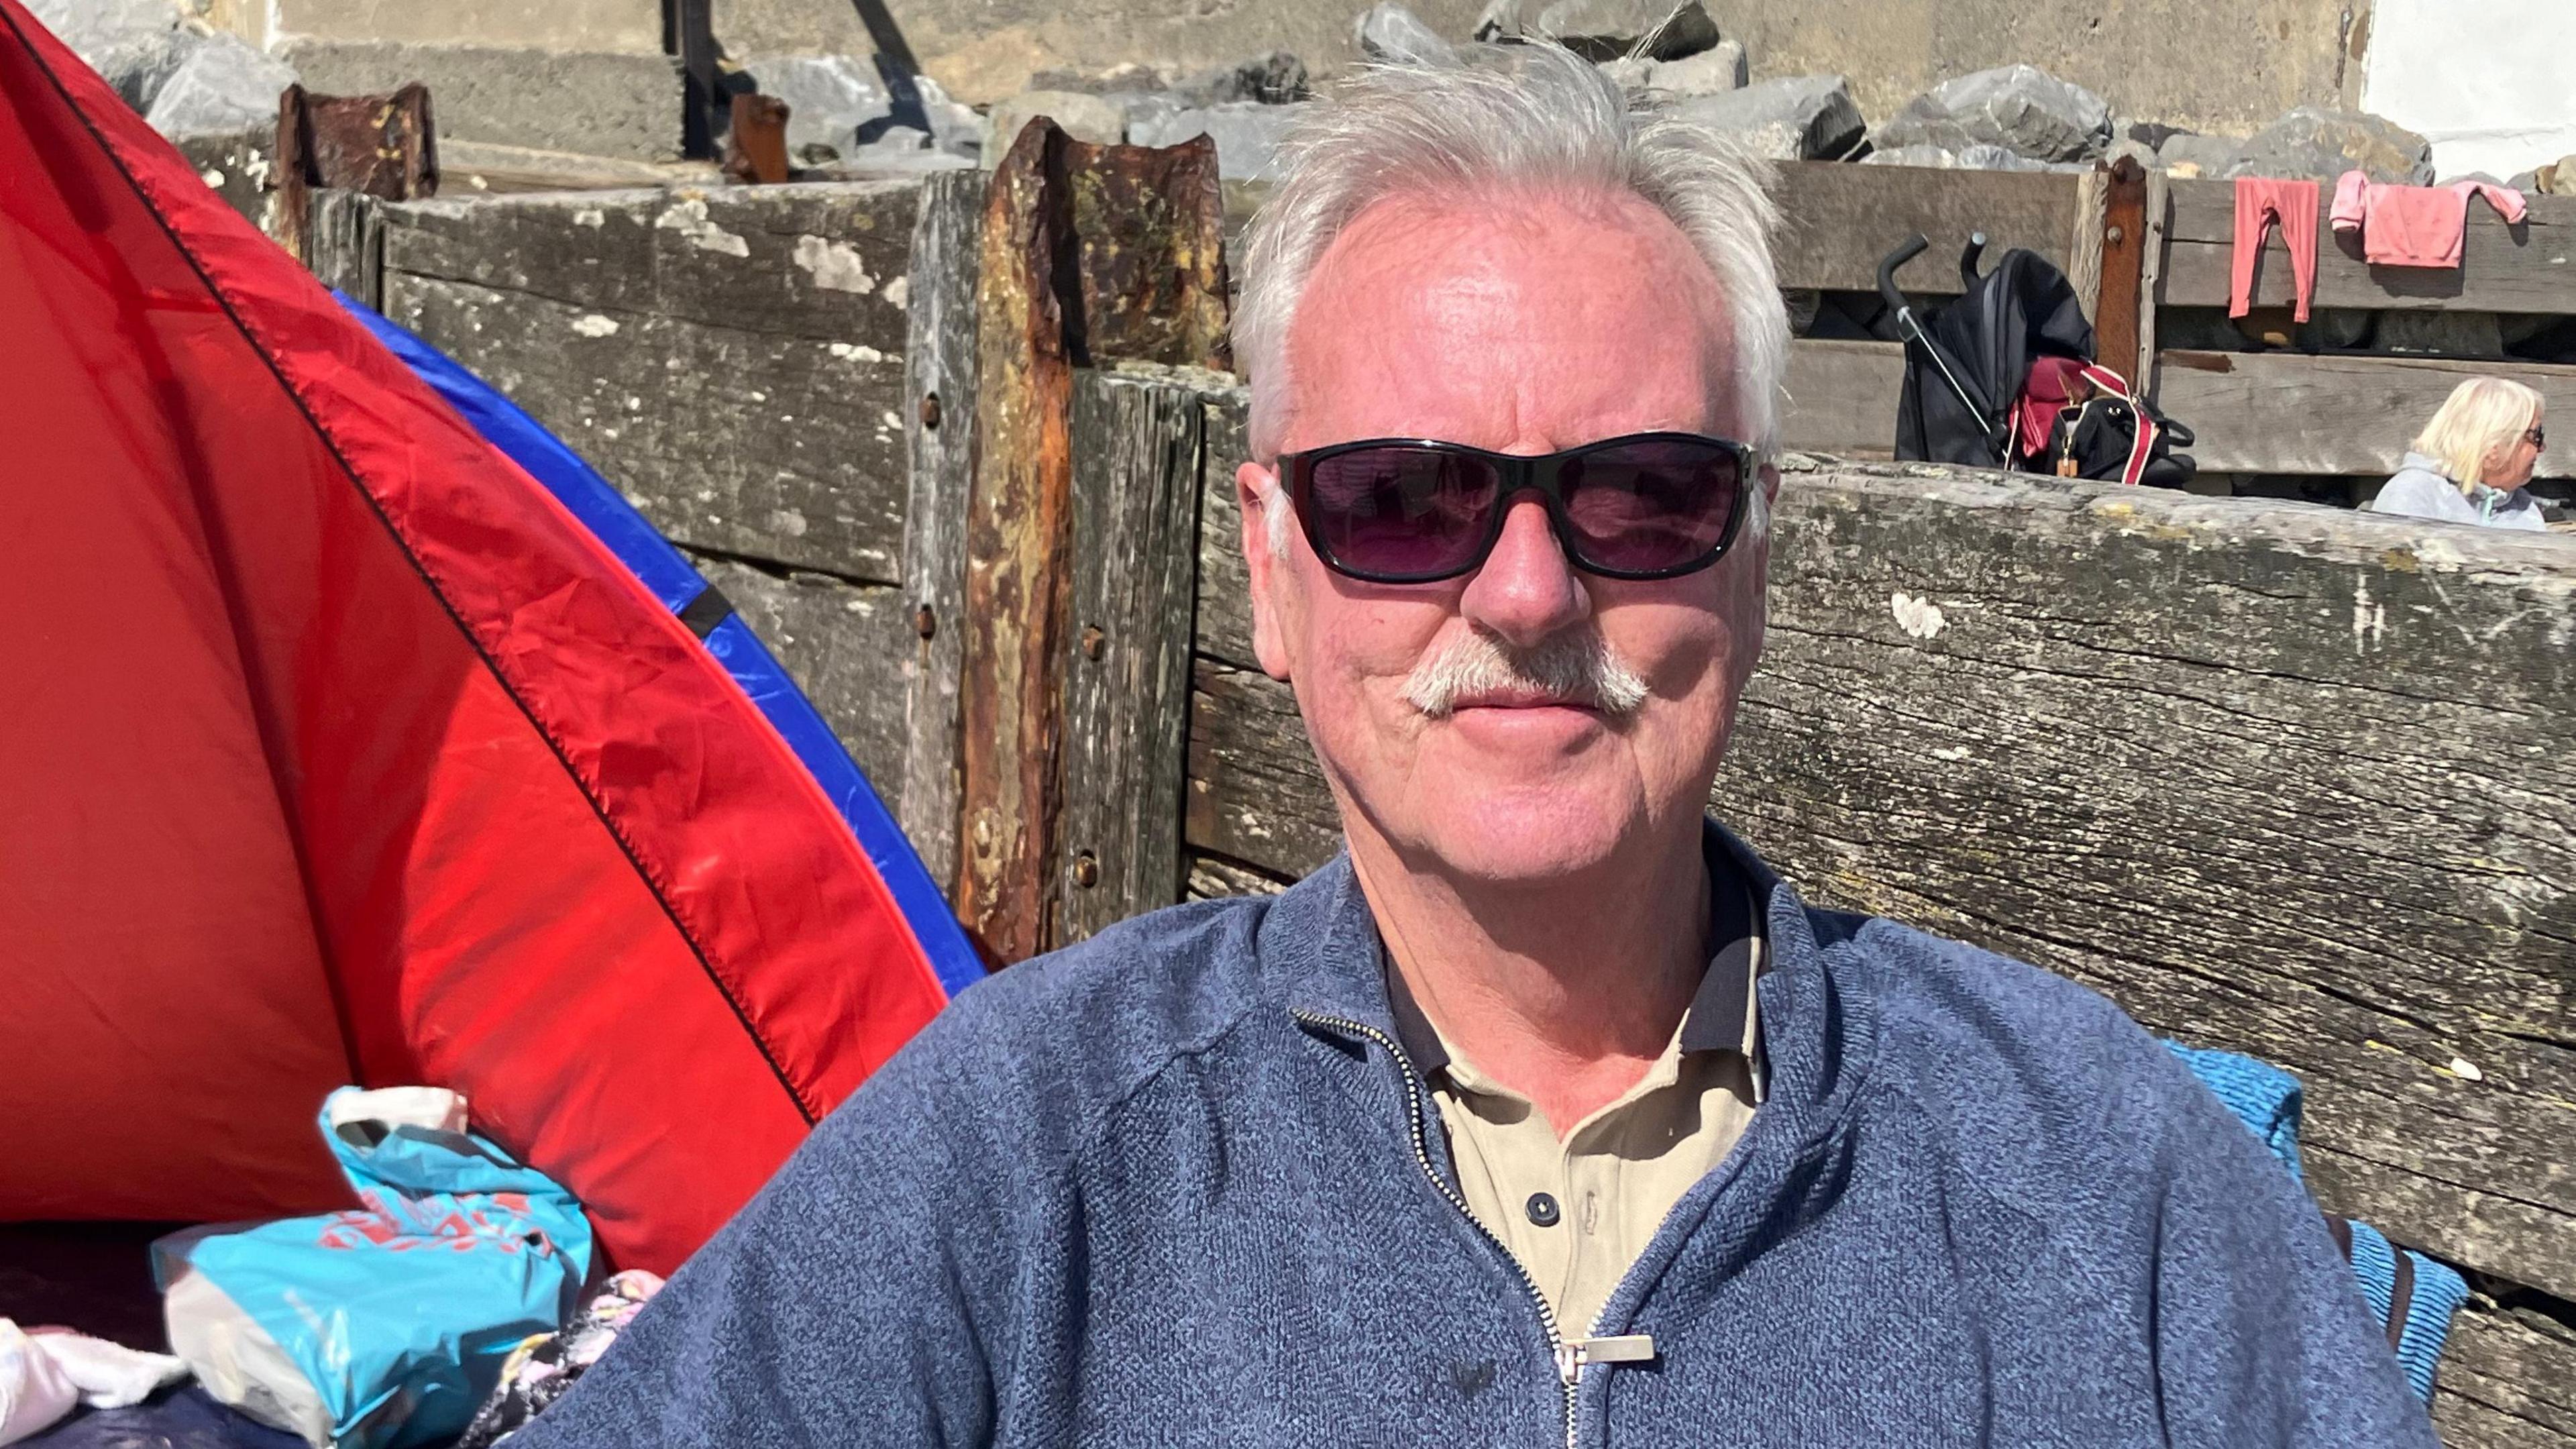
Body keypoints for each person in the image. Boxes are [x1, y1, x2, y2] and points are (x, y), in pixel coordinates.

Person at [512, 43, 2434, 1448]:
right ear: (1270, 570)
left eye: (1645, 491)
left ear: (1754, 563)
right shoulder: (1024, 1150)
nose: (1524, 595)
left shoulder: (2101, 1177)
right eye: (1406, 498)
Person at [2369, 376, 2550, 531]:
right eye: (2536, 436)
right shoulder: (2414, 495)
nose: (2542, 448)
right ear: (2493, 443)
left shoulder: (2523, 507)